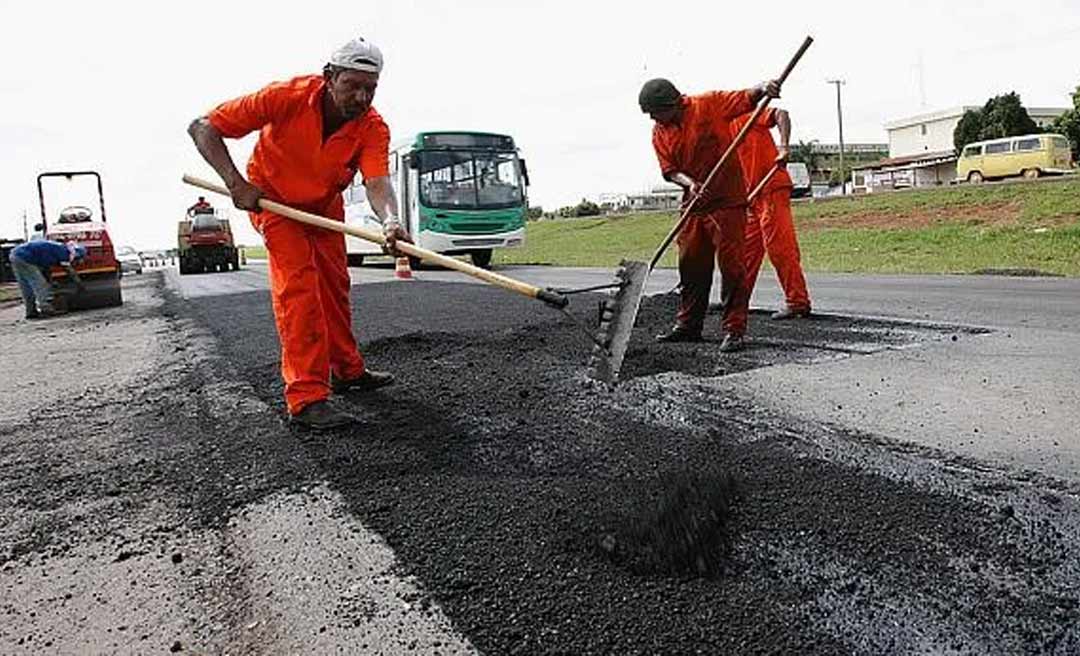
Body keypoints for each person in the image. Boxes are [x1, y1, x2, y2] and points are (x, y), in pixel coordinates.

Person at [187, 36, 408, 430]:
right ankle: (306, 398)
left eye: (369, 89)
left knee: (335, 287)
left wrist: (390, 221)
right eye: (351, 86)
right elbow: (203, 128)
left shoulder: (372, 127)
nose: (361, 97)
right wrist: (236, 184)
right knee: (300, 291)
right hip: (275, 205)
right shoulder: (285, 97)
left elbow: (377, 181)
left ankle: (346, 371)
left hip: (323, 207)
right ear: (329, 77)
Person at [640, 77, 780, 352]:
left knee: (732, 268)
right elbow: (669, 170)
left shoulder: (708, 104)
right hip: (694, 203)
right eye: (650, 114)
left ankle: (734, 329)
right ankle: (689, 325)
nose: (653, 118)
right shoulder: (659, 132)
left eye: (656, 112)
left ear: (674, 104)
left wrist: (766, 87)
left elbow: (746, 97)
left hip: (727, 200)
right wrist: (690, 183)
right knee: (691, 265)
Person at [731, 107, 811, 319]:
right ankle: (737, 301)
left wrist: (783, 147)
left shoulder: (744, 116)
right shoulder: (720, 137)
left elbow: (781, 114)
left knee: (780, 247)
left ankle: (797, 301)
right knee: (745, 251)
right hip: (751, 197)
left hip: (771, 187)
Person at [9, 240, 86, 319]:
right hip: (25, 257)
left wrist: (50, 281)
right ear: (76, 255)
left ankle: (30, 311)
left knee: (26, 287)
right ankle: (46, 309)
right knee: (40, 284)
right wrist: (79, 284)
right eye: (78, 260)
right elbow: (69, 271)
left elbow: (46, 270)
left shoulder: (57, 249)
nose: (76, 263)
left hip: (15, 255)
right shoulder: (64, 252)